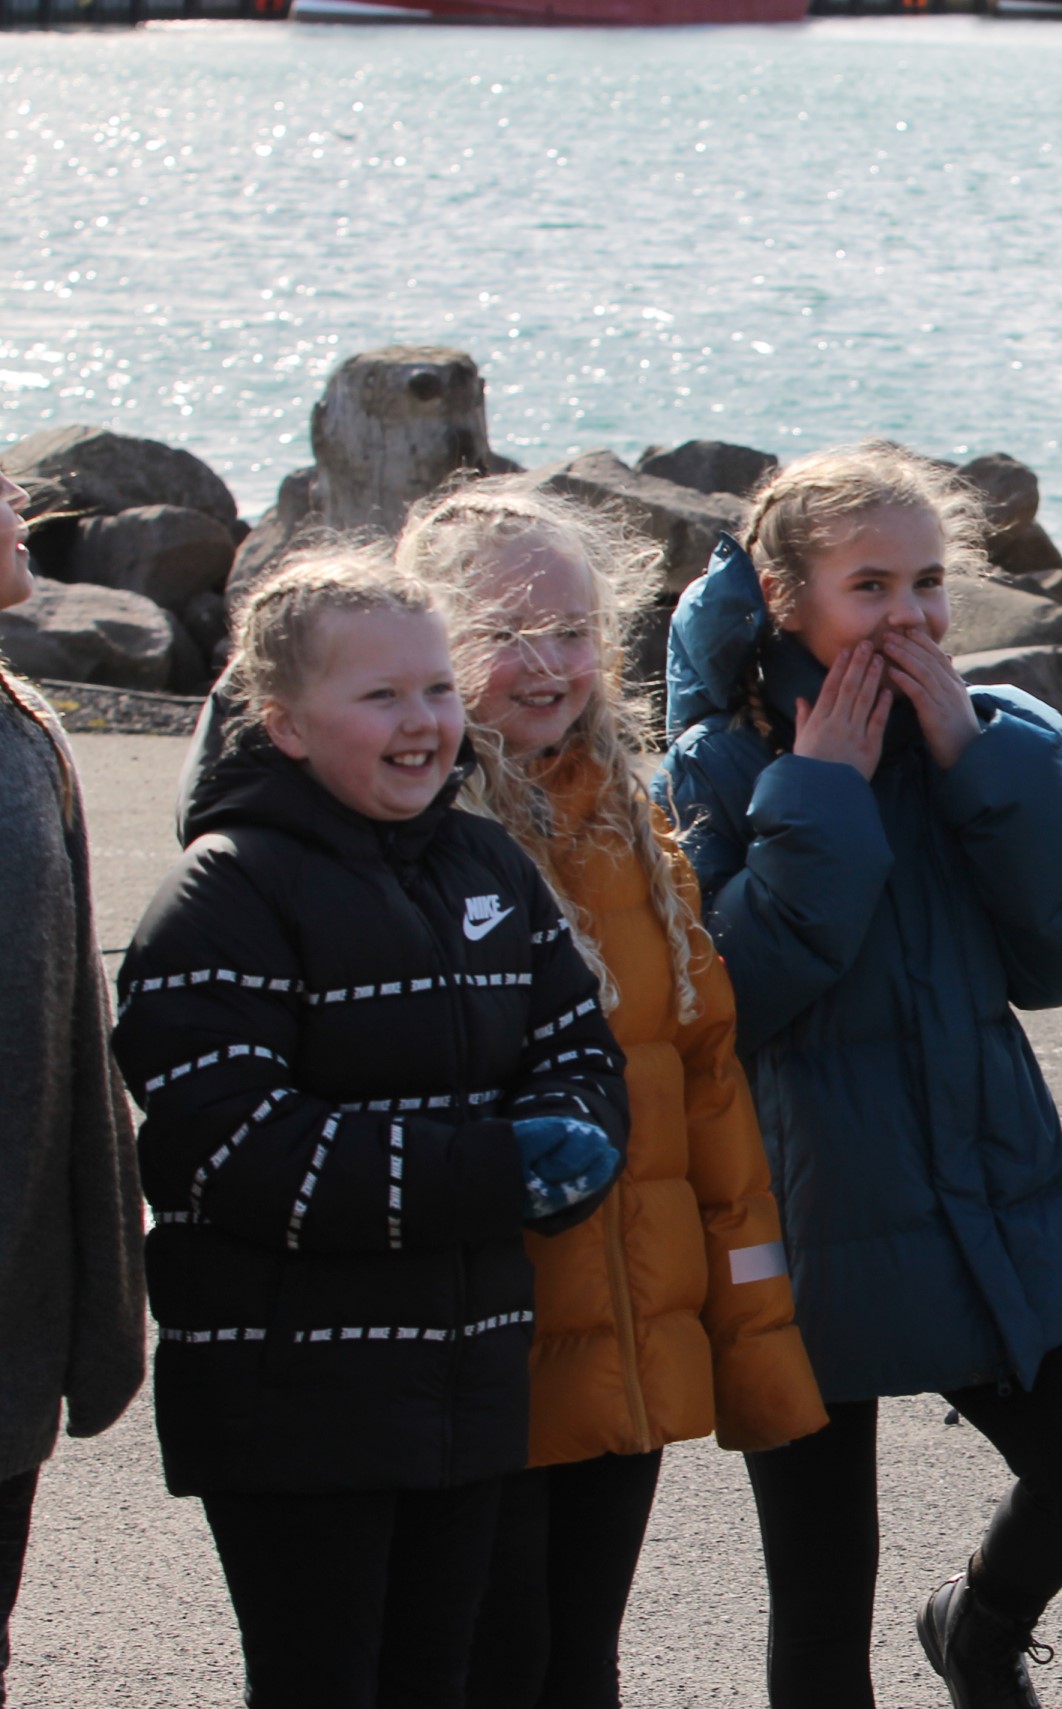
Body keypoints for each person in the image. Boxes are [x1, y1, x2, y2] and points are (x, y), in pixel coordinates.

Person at [654, 443, 1062, 1709]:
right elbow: (730, 1002)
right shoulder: (715, 766)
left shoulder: (982, 739)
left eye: (927, 581)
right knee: (823, 1586)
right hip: (804, 1217)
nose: (910, 614)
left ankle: (976, 1627)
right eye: (868, 584)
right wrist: (819, 791)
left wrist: (977, 761)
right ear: (783, 598)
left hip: (980, 1189)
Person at [112, 552, 632, 1709]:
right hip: (290, 1400)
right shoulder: (223, 891)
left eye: (438, 689)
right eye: (381, 697)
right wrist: (498, 1168)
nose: (424, 722)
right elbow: (235, 1149)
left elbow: (576, 1044)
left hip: (470, 1377)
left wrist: (575, 1130)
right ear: (285, 726)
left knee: (438, 1681)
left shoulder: (483, 857)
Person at [381, 480, 827, 1709]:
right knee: (491, 1660)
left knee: (579, 1660)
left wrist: (753, 1334)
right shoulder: (410, 827)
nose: (548, 663)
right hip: (485, 1346)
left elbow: (706, 1091)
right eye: (504, 633)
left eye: (572, 630)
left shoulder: (626, 821)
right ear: (427, 640)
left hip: (622, 1328)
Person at [0, 472, 147, 1708]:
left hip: (17, 1325)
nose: (18, 497)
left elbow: (67, 1048)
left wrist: (97, 1303)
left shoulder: (24, 721)